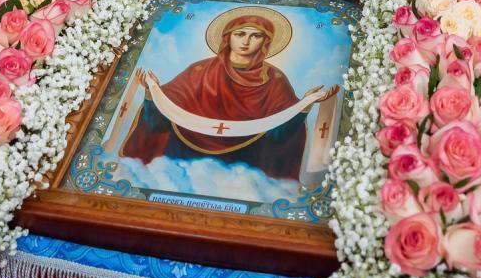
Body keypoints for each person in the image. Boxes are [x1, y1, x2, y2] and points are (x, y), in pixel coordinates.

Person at [119, 9, 338, 181]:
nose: (246, 41)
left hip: (244, 170)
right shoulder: (199, 72)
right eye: (240, 34)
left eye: (255, 36)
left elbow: (279, 136)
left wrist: (304, 104)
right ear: (228, 38)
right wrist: (153, 92)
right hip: (181, 163)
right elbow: (158, 122)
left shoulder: (275, 80)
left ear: (265, 42)